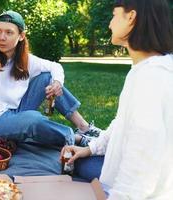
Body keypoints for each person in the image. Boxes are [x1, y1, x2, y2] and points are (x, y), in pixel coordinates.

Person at [61, 0, 173, 198]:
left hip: (142, 191)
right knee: (78, 161)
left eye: (114, 15)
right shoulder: (144, 70)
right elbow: (121, 123)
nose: (110, 23)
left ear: (131, 17)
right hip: (115, 169)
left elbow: (141, 166)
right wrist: (89, 149)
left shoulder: (152, 77)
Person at [0, 10, 101, 148]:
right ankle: (78, 139)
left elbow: (55, 67)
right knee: (33, 119)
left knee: (47, 77)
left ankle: (84, 127)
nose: (2, 37)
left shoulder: (25, 60)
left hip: (17, 111)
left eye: (9, 32)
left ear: (21, 36)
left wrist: (57, 83)